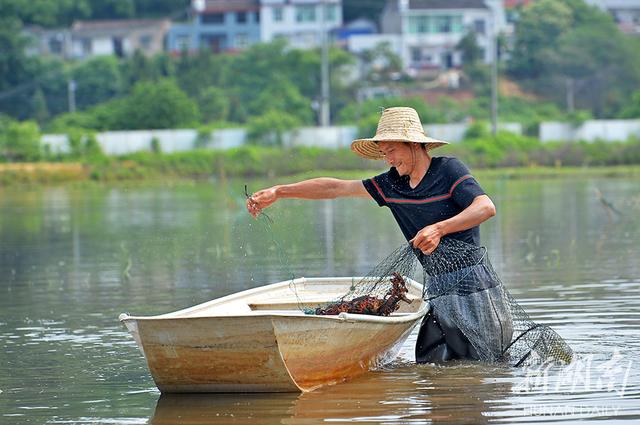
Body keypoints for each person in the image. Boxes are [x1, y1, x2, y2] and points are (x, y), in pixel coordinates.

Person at [246, 107, 499, 363]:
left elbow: (485, 207)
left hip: (473, 287)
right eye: (383, 153)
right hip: (438, 287)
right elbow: (335, 187)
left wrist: (439, 228)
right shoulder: (392, 184)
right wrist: (279, 191)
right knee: (431, 363)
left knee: (479, 364)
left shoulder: (448, 169)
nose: (387, 159)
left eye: (391, 150)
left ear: (412, 144)